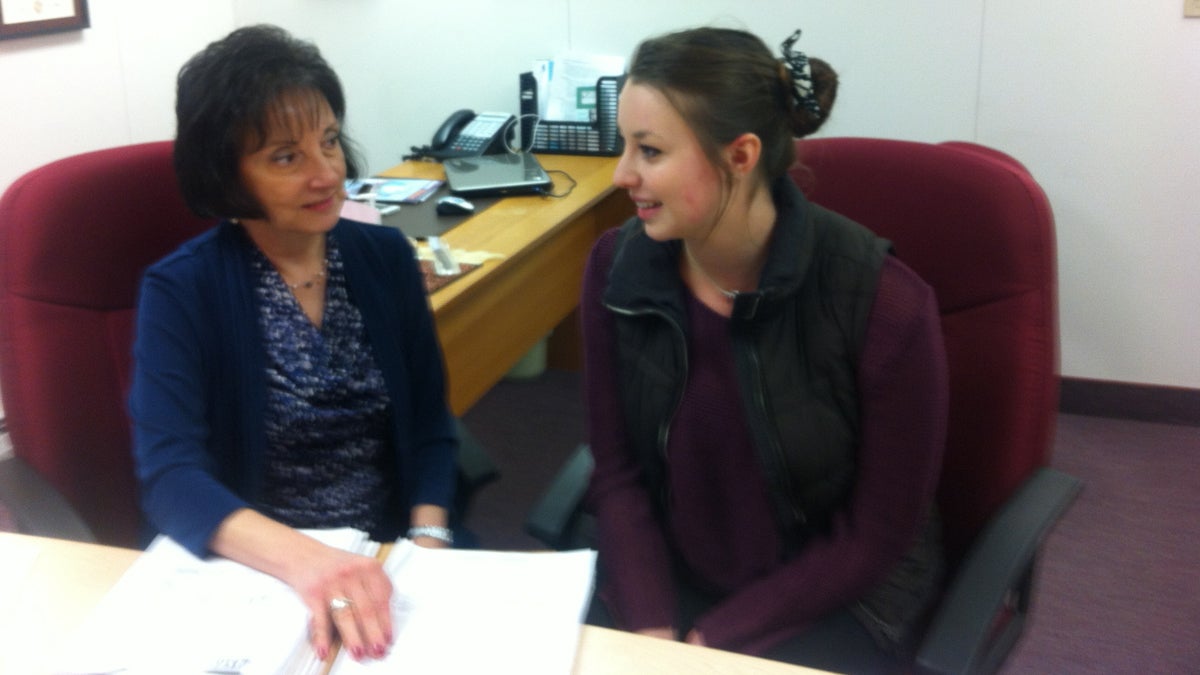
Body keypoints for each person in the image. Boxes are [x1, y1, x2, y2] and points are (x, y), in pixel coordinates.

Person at [581, 26, 949, 673]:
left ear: (741, 155)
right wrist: (651, 625)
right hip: (677, 574)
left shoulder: (883, 303)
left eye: (650, 150)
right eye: (624, 145)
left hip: (835, 594)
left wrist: (716, 637)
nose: (622, 174)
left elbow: (877, 533)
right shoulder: (618, 269)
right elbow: (617, 470)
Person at [129, 25, 458, 662]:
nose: (327, 173)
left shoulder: (385, 257)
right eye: (286, 157)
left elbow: (431, 429)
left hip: (392, 558)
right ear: (227, 175)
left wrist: (427, 544)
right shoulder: (181, 291)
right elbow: (169, 476)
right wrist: (313, 563)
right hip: (258, 573)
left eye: (330, 141)